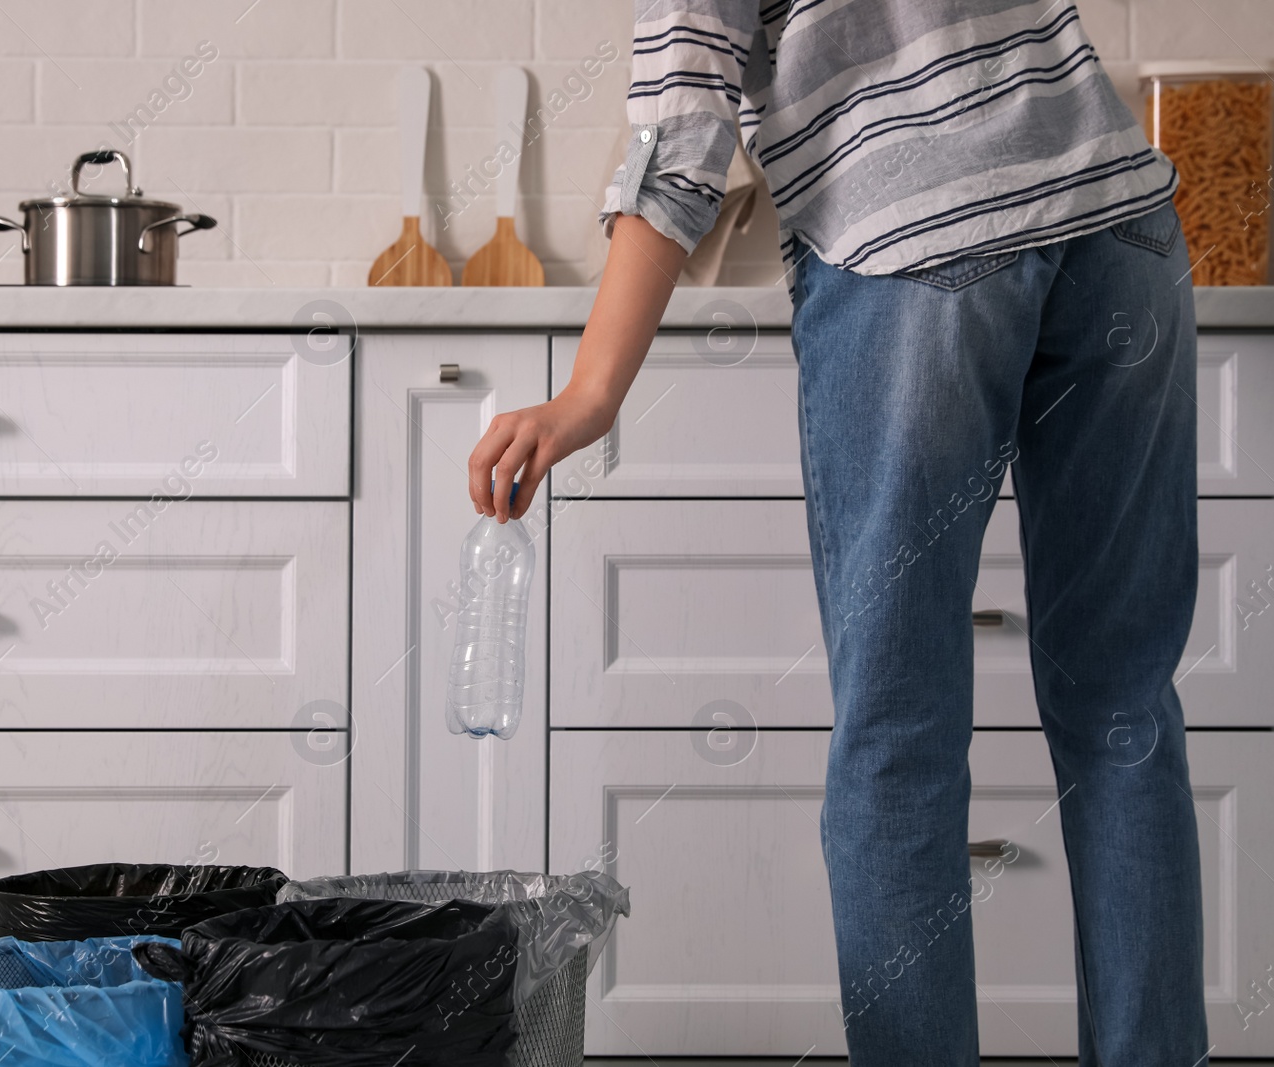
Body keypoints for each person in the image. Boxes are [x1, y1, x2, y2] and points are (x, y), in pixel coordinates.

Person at [465, 2, 1206, 1064]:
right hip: (1120, 221)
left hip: (913, 239)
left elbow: (683, 126)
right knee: (1124, 708)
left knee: (897, 737)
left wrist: (588, 393)